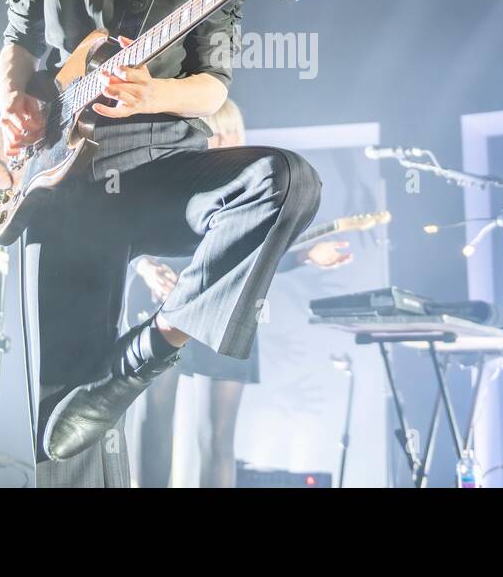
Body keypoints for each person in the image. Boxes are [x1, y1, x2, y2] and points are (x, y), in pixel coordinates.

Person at [0, 0, 322, 485]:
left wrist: (153, 96)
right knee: (63, 435)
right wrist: (11, 111)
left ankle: (161, 339)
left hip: (164, 169)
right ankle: (94, 396)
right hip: (64, 179)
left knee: (285, 181)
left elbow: (211, 89)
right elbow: (17, 46)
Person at [130, 99, 352, 487]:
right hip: (166, 306)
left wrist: (306, 257)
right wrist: (145, 267)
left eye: (234, 130)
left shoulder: (253, 188)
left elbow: (256, 257)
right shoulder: (173, 178)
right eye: (219, 129)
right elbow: (129, 234)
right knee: (155, 422)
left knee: (218, 439)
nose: (228, 138)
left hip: (229, 308)